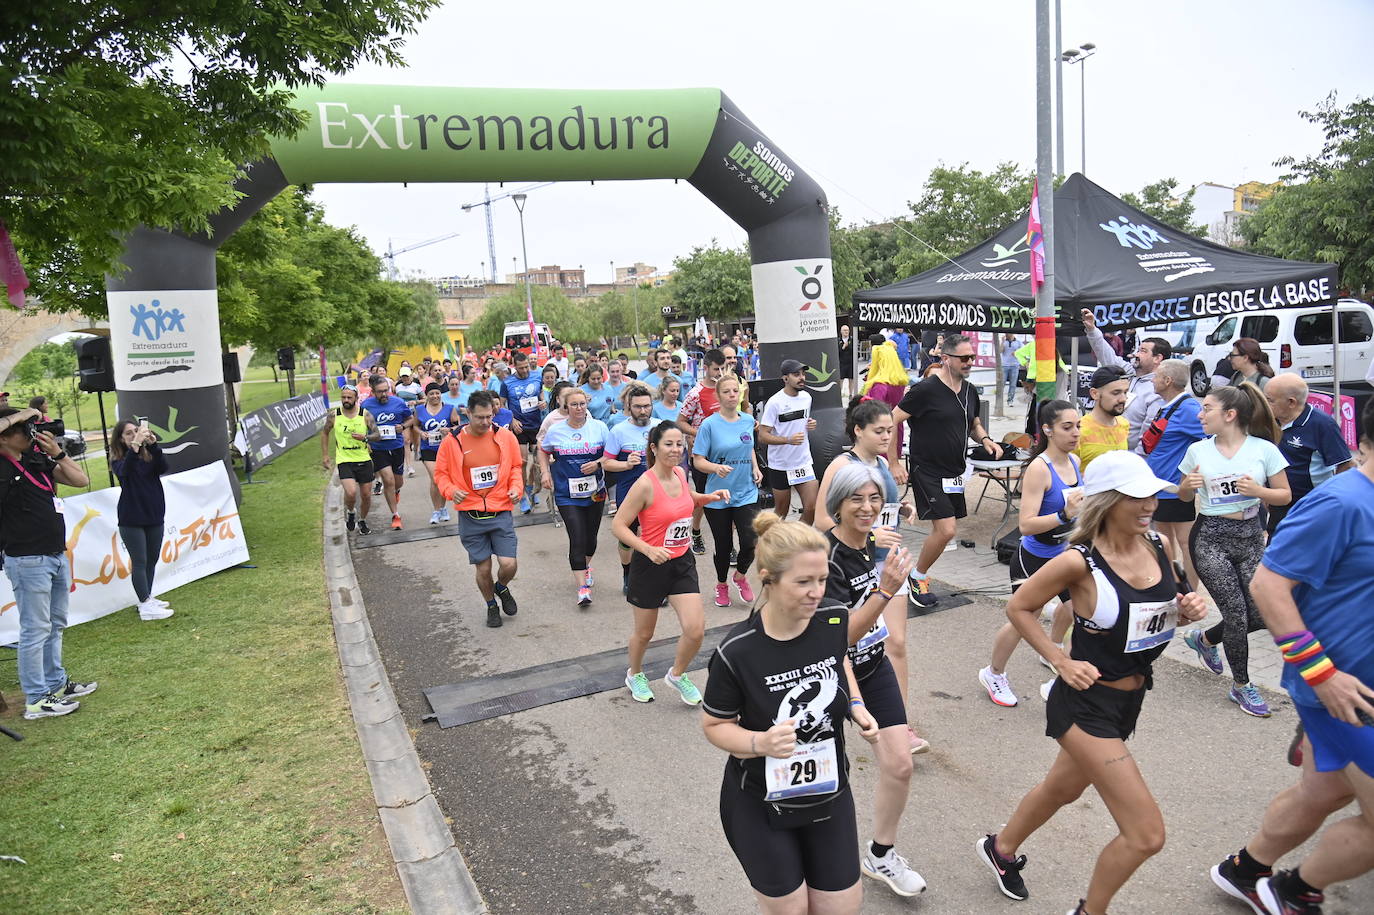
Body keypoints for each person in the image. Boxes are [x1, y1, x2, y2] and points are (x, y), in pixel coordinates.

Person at [975, 450, 1208, 915]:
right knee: (1146, 834)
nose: (1149, 506)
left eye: (1152, 497)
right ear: (1107, 502)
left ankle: (1000, 850)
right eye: (1137, 498)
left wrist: (1183, 615)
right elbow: (1018, 607)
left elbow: (1150, 622)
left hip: (1129, 700)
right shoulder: (1078, 563)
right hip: (1083, 707)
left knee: (1063, 789)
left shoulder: (1158, 546)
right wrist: (1059, 658)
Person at [1208, 396, 1374, 915]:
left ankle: (1245, 870)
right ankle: (1290, 891)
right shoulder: (1342, 503)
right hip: (1342, 691)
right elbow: (1269, 586)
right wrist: (1321, 675)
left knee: (1324, 794)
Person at [701, 514, 881, 914]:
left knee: (842, 907)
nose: (817, 592)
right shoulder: (738, 652)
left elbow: (838, 662)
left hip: (829, 793)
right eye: (803, 582)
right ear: (769, 578)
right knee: (792, 910)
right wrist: (759, 742)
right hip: (759, 802)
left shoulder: (832, 617)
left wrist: (855, 706)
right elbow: (714, 725)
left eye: (821, 579)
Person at [819, 462, 925, 897]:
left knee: (900, 764)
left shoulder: (872, 547)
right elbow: (837, 641)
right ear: (837, 506)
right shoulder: (826, 559)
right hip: (824, 676)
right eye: (856, 499)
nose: (867, 508)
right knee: (824, 780)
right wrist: (885, 591)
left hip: (872, 663)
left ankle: (880, 855)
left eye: (874, 498)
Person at [815, 398, 928, 754]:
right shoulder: (841, 465)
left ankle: (901, 725)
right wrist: (871, 535)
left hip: (887, 564)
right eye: (879, 431)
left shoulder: (881, 463)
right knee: (851, 643)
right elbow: (821, 521)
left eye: (890, 430)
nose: (886, 437)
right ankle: (853, 708)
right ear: (857, 430)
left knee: (895, 643)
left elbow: (883, 506)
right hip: (852, 566)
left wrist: (900, 507)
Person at [1176, 383, 1291, 718]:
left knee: (1259, 615)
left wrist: (1258, 490)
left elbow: (1284, 495)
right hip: (1211, 536)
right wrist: (1186, 487)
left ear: (1230, 414)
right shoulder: (1198, 450)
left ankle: (1205, 640)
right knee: (1237, 614)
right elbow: (1183, 496)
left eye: (1206, 408)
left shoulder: (1263, 449)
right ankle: (1241, 686)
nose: (1200, 414)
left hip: (1251, 536)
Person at [613, 422, 728, 704]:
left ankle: (677, 674)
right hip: (650, 565)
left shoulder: (679, 472)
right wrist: (647, 549)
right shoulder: (644, 485)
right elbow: (619, 525)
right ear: (654, 447)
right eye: (669, 444)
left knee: (695, 629)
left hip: (681, 562)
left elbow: (689, 500)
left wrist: (710, 497)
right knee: (644, 633)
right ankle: (635, 673)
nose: (676, 449)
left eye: (679, 444)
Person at [978, 400, 1082, 709]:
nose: (1075, 432)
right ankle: (993, 673)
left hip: (1064, 556)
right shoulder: (1039, 469)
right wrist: (1064, 515)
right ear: (1048, 430)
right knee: (1026, 620)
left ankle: (1059, 672)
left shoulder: (1075, 462)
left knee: (1083, 611)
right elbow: (1026, 525)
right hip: (1033, 559)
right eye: (1067, 427)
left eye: (1078, 426)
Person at [889, 333, 1004, 608]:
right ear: (946, 358)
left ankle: (918, 574)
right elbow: (893, 419)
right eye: (964, 358)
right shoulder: (925, 389)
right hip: (926, 468)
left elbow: (974, 423)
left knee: (946, 529)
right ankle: (917, 576)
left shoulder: (969, 389)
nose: (970, 362)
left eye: (972, 357)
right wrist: (893, 462)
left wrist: (986, 439)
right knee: (947, 530)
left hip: (955, 472)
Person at [0, 406, 95, 720]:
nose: (29, 433)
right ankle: (36, 699)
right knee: (34, 630)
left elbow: (80, 480)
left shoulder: (36, 458)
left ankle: (56, 684)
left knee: (55, 625)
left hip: (53, 554)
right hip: (27, 559)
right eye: (22, 429)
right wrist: (17, 416)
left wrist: (57, 453)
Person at [434, 390, 523, 629]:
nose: (486, 422)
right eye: (480, 417)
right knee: (483, 568)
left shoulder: (505, 437)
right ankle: (491, 605)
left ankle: (501, 587)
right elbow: (440, 474)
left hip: (500, 510)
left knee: (508, 564)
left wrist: (516, 488)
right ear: (468, 414)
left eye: (489, 417)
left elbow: (515, 467)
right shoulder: (452, 441)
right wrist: (451, 491)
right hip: (471, 515)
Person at [693, 374, 764, 609]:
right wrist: (715, 467)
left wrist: (755, 467)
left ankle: (740, 576)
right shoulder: (709, 424)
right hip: (718, 495)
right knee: (723, 545)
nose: (732, 395)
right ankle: (721, 584)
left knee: (750, 540)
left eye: (736, 391)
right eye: (727, 391)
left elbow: (749, 447)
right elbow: (698, 460)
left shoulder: (747, 420)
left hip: (746, 491)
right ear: (718, 395)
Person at [539, 388, 611, 607]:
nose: (579, 408)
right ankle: (582, 588)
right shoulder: (556, 430)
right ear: (565, 407)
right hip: (566, 493)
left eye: (582, 404)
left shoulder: (599, 428)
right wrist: (545, 472)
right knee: (577, 539)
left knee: (591, 539)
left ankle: (586, 566)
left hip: (595, 492)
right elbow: (543, 450)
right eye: (574, 405)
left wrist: (598, 463)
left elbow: (611, 454)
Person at [1263, 373, 1353, 533]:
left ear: (1291, 402)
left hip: (1311, 505)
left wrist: (1331, 500)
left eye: (1270, 400)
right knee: (1275, 552)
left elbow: (1345, 464)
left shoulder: (1322, 424)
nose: (1265, 404)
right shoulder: (1269, 421)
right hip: (1279, 503)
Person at [1143, 359, 1204, 587]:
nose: (1152, 380)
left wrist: (1189, 476)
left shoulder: (1189, 409)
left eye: (1156, 376)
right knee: (1163, 541)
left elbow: (1211, 439)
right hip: (1159, 487)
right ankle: (1171, 589)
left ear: (1167, 381)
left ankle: (1190, 594)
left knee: (1186, 543)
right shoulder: (1169, 405)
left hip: (1175, 489)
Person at [110, 419, 175, 621]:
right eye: (128, 433)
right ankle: (145, 605)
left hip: (154, 514)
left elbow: (163, 467)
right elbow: (125, 472)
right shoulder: (119, 459)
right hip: (132, 518)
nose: (134, 435)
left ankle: (146, 597)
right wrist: (136, 445)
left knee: (152, 559)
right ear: (120, 439)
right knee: (140, 561)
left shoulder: (147, 455)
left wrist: (154, 445)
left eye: (136, 431)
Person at [1081, 309, 1171, 453]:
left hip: (1129, 456)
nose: (1135, 354)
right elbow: (1107, 356)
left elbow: (1148, 435)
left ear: (1157, 358)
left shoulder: (1157, 391)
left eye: (1142, 351)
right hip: (1105, 447)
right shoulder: (1129, 373)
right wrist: (1092, 330)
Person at [603, 384, 656, 595]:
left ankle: (653, 579)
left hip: (656, 491)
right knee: (628, 536)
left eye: (647, 406)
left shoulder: (660, 428)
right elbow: (606, 463)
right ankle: (627, 572)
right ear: (629, 406)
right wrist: (626, 464)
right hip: (629, 491)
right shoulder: (619, 430)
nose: (643, 411)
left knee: (653, 536)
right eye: (638, 407)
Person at [678, 348, 727, 556]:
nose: (720, 373)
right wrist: (699, 432)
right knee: (702, 497)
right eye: (716, 369)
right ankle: (695, 531)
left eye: (722, 368)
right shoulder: (695, 394)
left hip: (724, 452)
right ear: (705, 368)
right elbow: (680, 422)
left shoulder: (725, 389)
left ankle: (727, 544)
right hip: (702, 454)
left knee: (726, 498)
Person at [760, 359, 820, 524]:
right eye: (796, 375)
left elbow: (802, 422)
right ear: (785, 378)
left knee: (812, 508)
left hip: (803, 462)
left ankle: (795, 541)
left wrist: (810, 424)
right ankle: (769, 543)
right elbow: (762, 435)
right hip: (781, 464)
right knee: (781, 512)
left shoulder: (806, 397)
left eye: (803, 374)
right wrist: (787, 440)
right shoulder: (774, 403)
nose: (802, 378)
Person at [322, 385, 380, 535]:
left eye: (349, 397)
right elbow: (325, 432)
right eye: (343, 397)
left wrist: (365, 437)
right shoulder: (334, 415)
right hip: (344, 459)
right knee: (351, 492)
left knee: (366, 495)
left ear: (356, 398)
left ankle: (362, 520)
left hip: (363, 459)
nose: (346, 400)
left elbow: (377, 435)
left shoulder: (365, 415)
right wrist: (325, 455)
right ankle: (350, 511)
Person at [360, 375, 416, 531]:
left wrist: (403, 426)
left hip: (396, 446)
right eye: (380, 392)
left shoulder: (398, 402)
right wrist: (366, 440)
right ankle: (395, 515)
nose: (384, 394)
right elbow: (359, 425)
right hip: (378, 449)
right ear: (373, 392)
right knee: (388, 480)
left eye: (386, 391)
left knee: (398, 482)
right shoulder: (366, 405)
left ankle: (396, 491)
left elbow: (411, 419)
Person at [502, 350, 545, 515]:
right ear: (515, 367)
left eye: (527, 367)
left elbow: (542, 395)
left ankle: (531, 489)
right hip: (519, 427)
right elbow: (501, 405)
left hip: (536, 425)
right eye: (521, 368)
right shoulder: (507, 383)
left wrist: (543, 402)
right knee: (522, 462)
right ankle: (521, 497)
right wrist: (511, 420)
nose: (525, 370)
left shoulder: (536, 377)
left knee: (536, 463)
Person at [414, 382, 463, 525]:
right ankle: (436, 511)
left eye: (437, 393)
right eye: (431, 394)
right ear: (426, 395)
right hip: (428, 448)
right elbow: (415, 425)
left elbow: (457, 426)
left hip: (445, 449)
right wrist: (421, 433)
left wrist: (449, 430)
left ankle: (442, 509)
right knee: (435, 478)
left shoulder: (449, 408)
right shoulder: (420, 409)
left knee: (442, 479)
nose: (435, 396)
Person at [1076, 366, 1130, 473]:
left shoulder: (1124, 424)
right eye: (1116, 393)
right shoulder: (1078, 431)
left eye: (1125, 392)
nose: (1123, 399)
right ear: (1094, 394)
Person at [1001, 336, 1021, 405]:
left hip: (1015, 366)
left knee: (1013, 384)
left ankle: (1010, 400)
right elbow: (1000, 351)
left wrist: (1017, 353)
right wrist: (1002, 342)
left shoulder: (1018, 342)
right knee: (1002, 383)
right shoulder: (1004, 341)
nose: (1007, 334)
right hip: (1004, 365)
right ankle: (999, 400)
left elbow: (1022, 351)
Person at [838, 324, 855, 399]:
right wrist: (843, 347)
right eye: (844, 330)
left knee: (851, 379)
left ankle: (850, 394)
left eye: (847, 330)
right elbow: (837, 352)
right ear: (841, 331)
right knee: (841, 379)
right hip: (842, 363)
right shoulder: (838, 340)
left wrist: (849, 346)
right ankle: (839, 394)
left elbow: (855, 351)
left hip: (851, 363)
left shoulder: (852, 339)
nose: (846, 332)